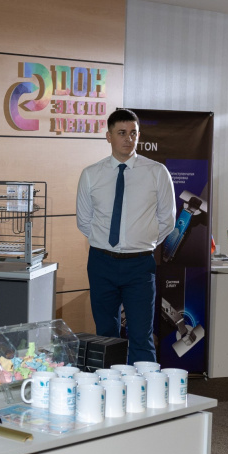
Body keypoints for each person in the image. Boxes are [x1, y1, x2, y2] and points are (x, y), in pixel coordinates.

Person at [76, 108, 176, 363]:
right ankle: (107, 386)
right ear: (109, 136)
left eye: (133, 133)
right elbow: (84, 221)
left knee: (141, 335)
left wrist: (141, 242)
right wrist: (107, 244)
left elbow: (167, 220)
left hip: (139, 265)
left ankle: (144, 387)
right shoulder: (91, 174)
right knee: (105, 335)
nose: (129, 139)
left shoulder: (156, 172)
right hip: (101, 263)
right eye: (122, 133)